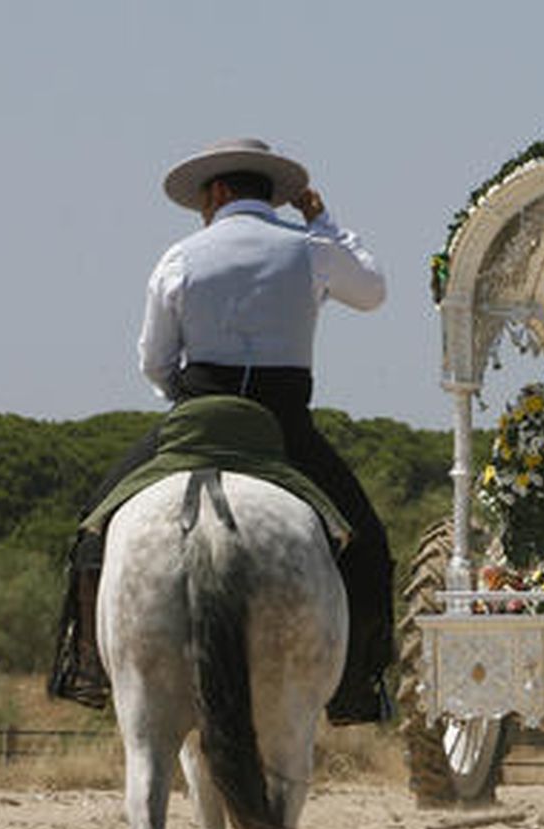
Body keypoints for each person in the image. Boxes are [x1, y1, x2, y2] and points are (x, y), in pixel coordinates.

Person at [49, 138, 393, 725]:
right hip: (284, 425)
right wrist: (323, 220)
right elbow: (372, 291)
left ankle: (86, 667)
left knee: (94, 527)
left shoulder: (179, 257)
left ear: (218, 193)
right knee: (369, 545)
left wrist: (181, 399)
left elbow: (155, 362)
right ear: (270, 194)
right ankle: (359, 686)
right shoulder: (311, 249)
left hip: (196, 413)